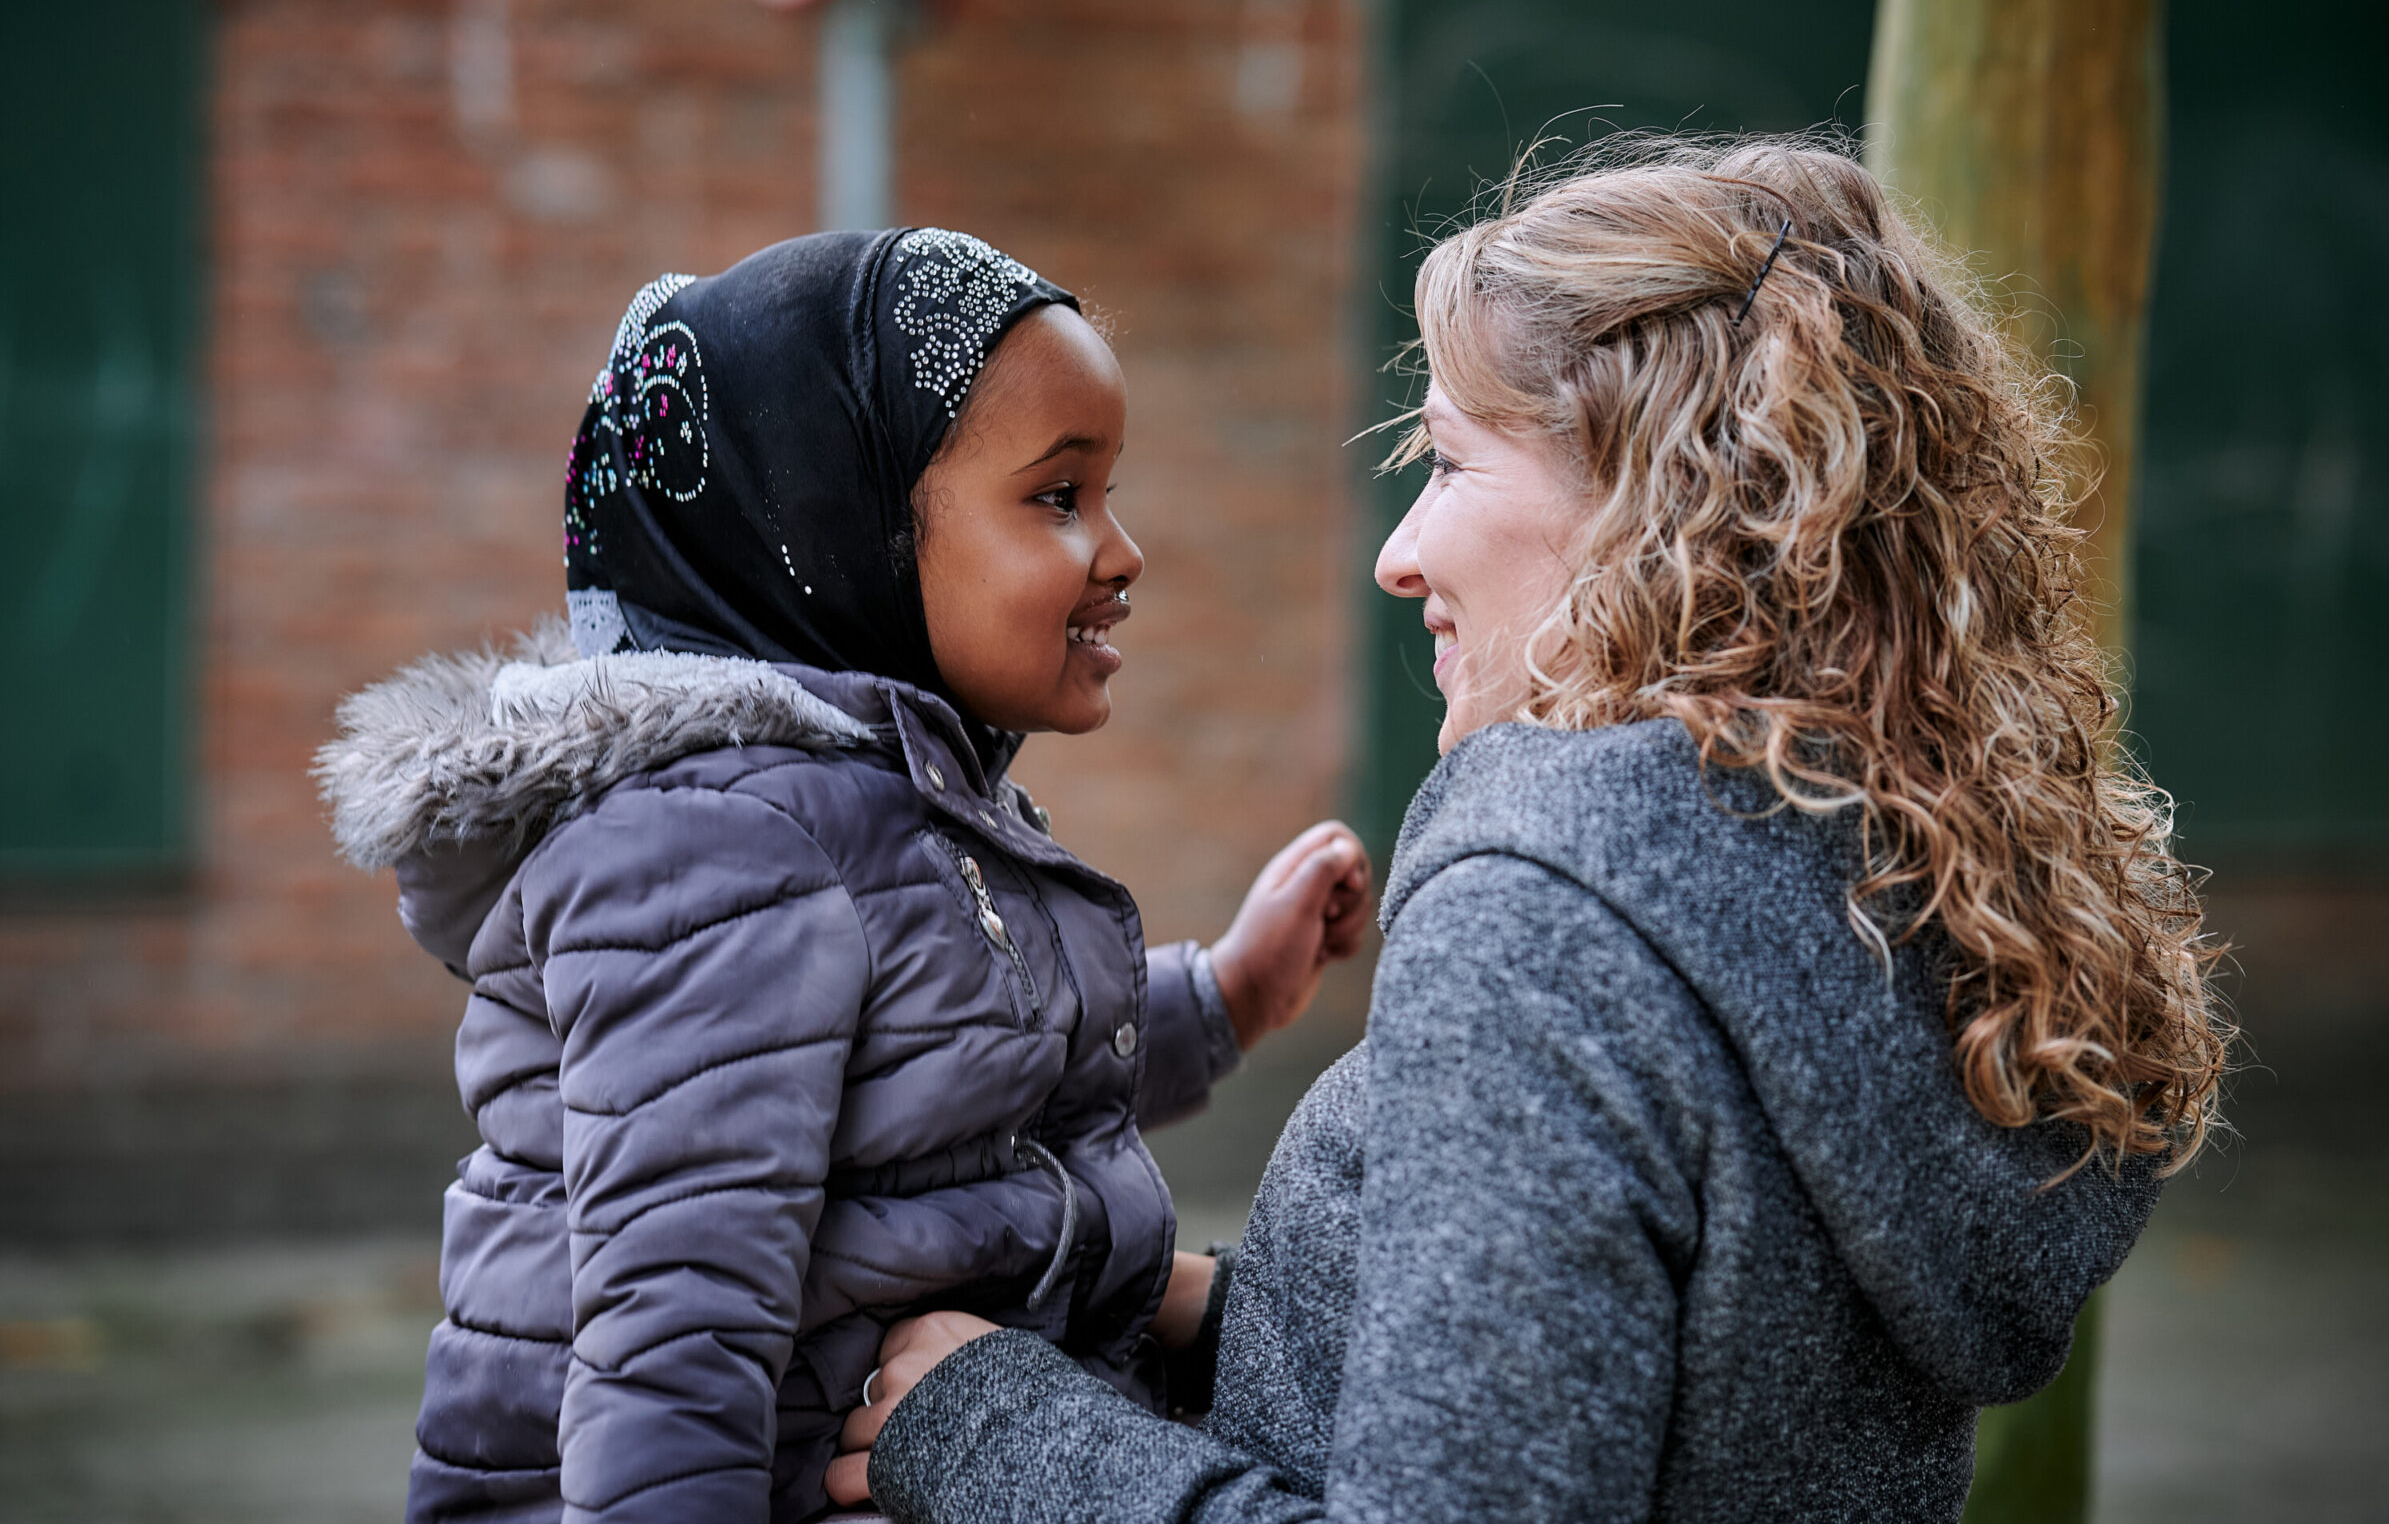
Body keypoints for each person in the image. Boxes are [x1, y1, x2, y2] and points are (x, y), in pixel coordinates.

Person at [826, 138, 2231, 1523]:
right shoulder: (1866, 866)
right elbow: (1688, 1391)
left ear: (1653, 495)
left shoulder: (1554, 911)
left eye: (1444, 460)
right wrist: (1219, 1309)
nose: (1400, 551)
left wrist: (995, 1426)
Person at [314, 227, 1372, 1524]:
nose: (1121, 548)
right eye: (1057, 495)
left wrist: (1228, 993)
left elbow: (970, 1063)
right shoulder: (720, 849)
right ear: (839, 522)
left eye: (1110, 492)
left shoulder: (892, 802)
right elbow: (671, 1332)